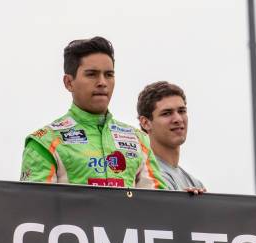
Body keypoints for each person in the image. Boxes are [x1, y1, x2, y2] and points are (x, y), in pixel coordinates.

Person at [20, 36, 166, 189]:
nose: (102, 82)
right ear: (69, 82)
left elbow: (159, 205)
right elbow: (35, 207)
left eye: (109, 74)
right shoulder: (44, 142)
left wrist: (190, 201)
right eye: (92, 74)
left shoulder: (139, 140)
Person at [137, 81, 205, 193]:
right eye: (167, 113)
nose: (178, 119)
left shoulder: (195, 184)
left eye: (182, 111)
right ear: (145, 123)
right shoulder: (143, 174)